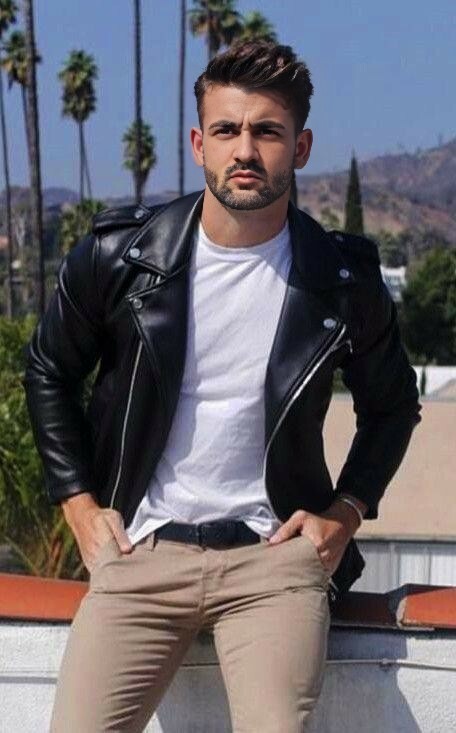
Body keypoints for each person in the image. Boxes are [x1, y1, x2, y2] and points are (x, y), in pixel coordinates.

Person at [23, 40, 421, 733]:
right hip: (140, 553)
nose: (245, 150)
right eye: (228, 129)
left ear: (300, 147)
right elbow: (48, 368)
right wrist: (80, 507)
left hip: (274, 564)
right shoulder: (121, 258)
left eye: (267, 131)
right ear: (198, 142)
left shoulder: (341, 280)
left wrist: (345, 513)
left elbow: (392, 404)